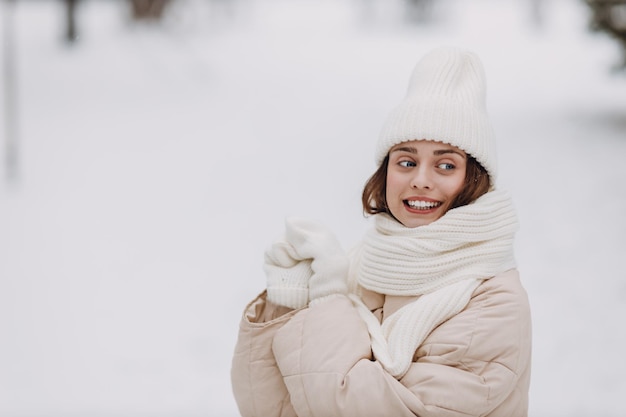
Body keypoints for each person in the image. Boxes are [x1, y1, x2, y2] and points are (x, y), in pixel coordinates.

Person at [230, 46, 532, 417]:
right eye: (406, 161)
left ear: (475, 179)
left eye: (446, 165)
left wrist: (325, 302)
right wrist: (288, 301)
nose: (420, 180)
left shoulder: (492, 302)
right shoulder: (368, 265)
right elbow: (270, 409)